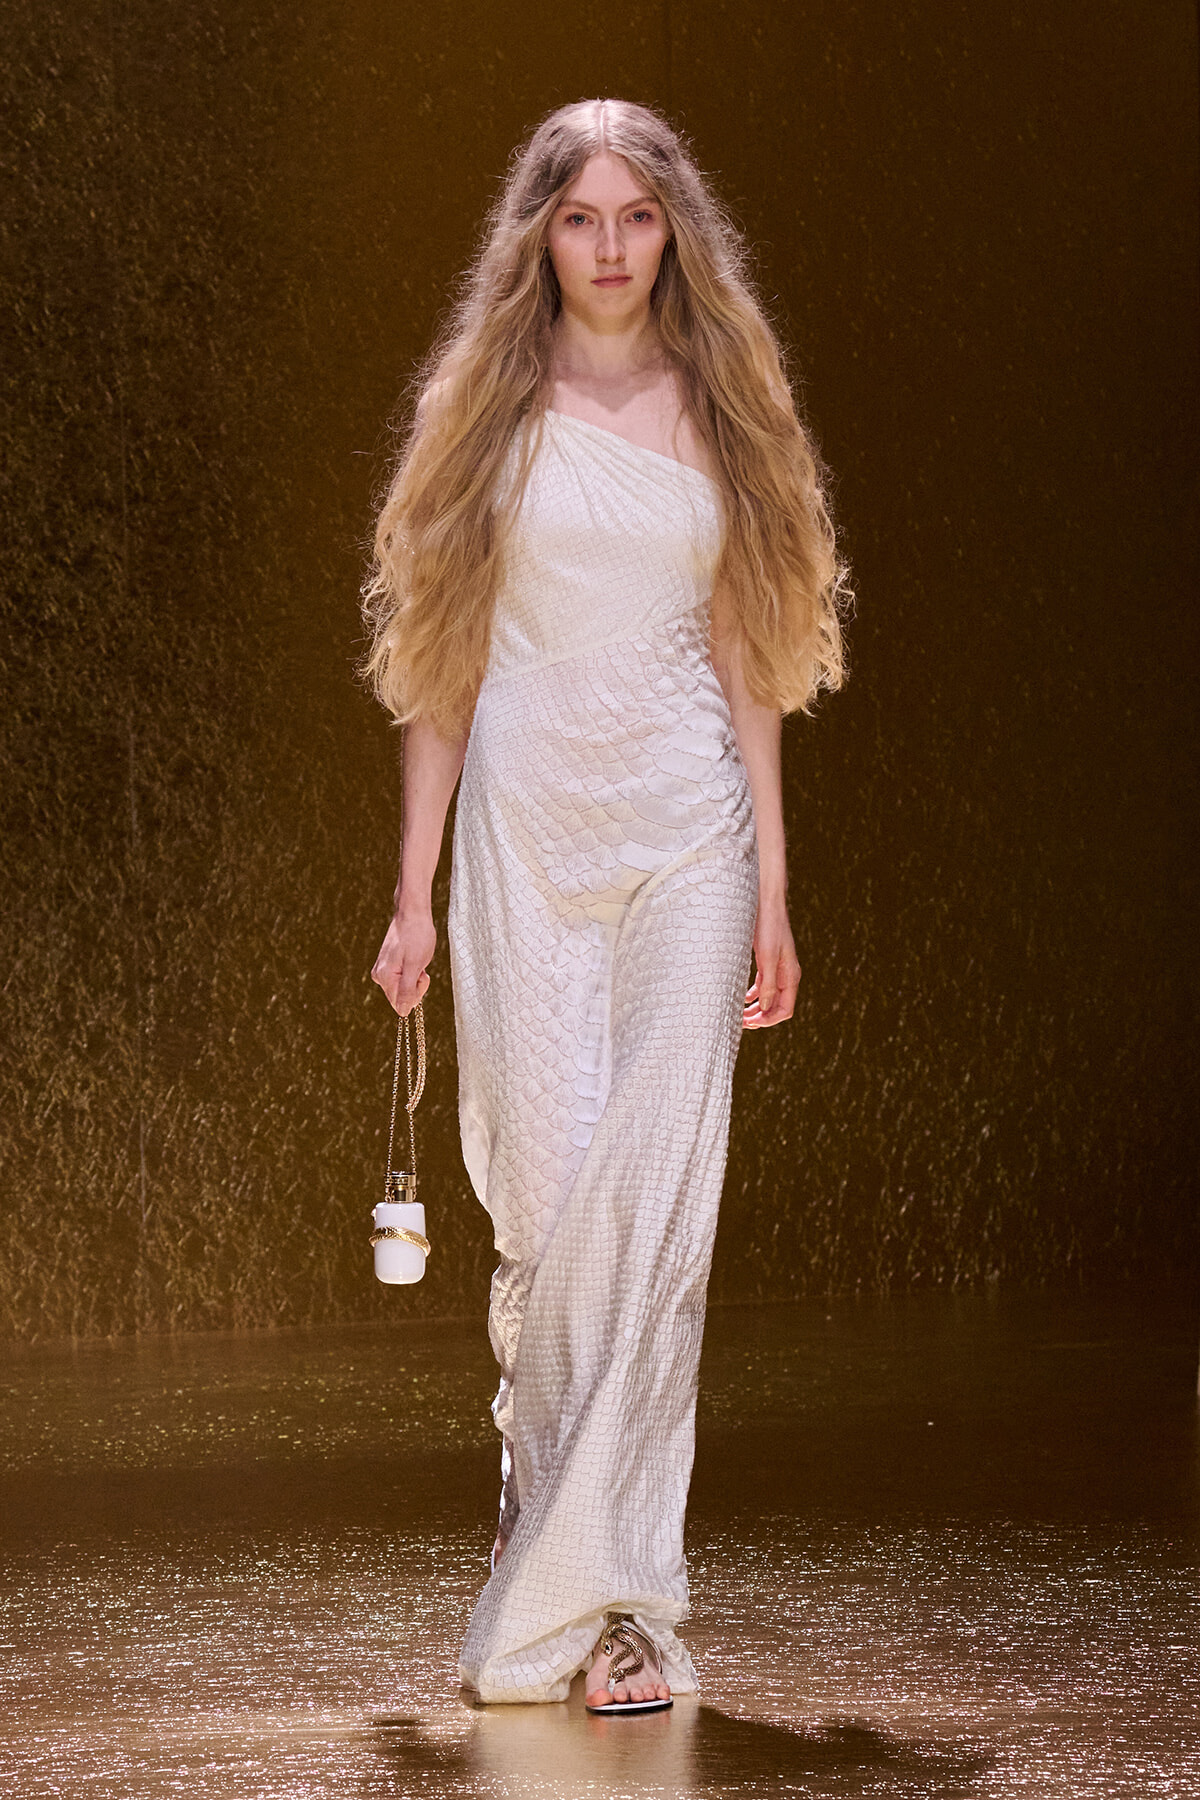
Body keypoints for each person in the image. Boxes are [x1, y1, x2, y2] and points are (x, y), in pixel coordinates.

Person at [364, 97, 850, 1712]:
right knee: (559, 1207)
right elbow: (436, 662)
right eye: (582, 219)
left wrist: (776, 880)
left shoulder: (726, 404)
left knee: (656, 1210)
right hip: (526, 843)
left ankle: (625, 1609)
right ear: (539, 236)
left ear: (675, 231)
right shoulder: (485, 412)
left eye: (638, 218)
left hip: (688, 836)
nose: (612, 249)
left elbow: (753, 652)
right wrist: (413, 891)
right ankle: (548, 1526)